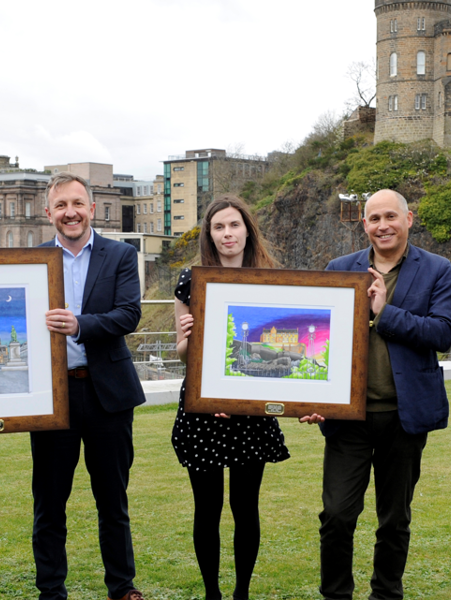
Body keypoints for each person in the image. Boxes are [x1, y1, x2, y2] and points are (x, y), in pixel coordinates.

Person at [302, 189, 451, 600]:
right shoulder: (340, 268)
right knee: (336, 515)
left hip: (404, 416)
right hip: (348, 418)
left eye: (391, 216)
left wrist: (384, 313)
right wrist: (311, 397)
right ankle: (336, 595)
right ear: (363, 223)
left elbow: (443, 334)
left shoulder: (437, 270)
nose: (382, 225)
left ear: (409, 218)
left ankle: (386, 594)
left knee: (394, 518)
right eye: (374, 218)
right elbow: (318, 341)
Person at [32, 172, 147, 600]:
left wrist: (80, 324)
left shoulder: (118, 255)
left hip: (108, 396)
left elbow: (129, 315)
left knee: (112, 501)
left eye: (77, 204)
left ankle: (122, 586)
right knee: (49, 503)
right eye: (61, 205)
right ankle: (51, 590)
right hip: (52, 396)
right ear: (49, 213)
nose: (70, 212)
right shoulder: (31, 260)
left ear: (92, 209)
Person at [173, 194, 290, 600]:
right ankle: (212, 594)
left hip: (252, 409)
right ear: (209, 234)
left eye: (234, 225)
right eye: (218, 227)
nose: (227, 234)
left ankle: (241, 592)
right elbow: (183, 354)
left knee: (246, 508)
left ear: (247, 230)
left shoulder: (270, 278)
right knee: (207, 510)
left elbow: (276, 350)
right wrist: (186, 339)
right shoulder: (191, 280)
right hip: (204, 408)